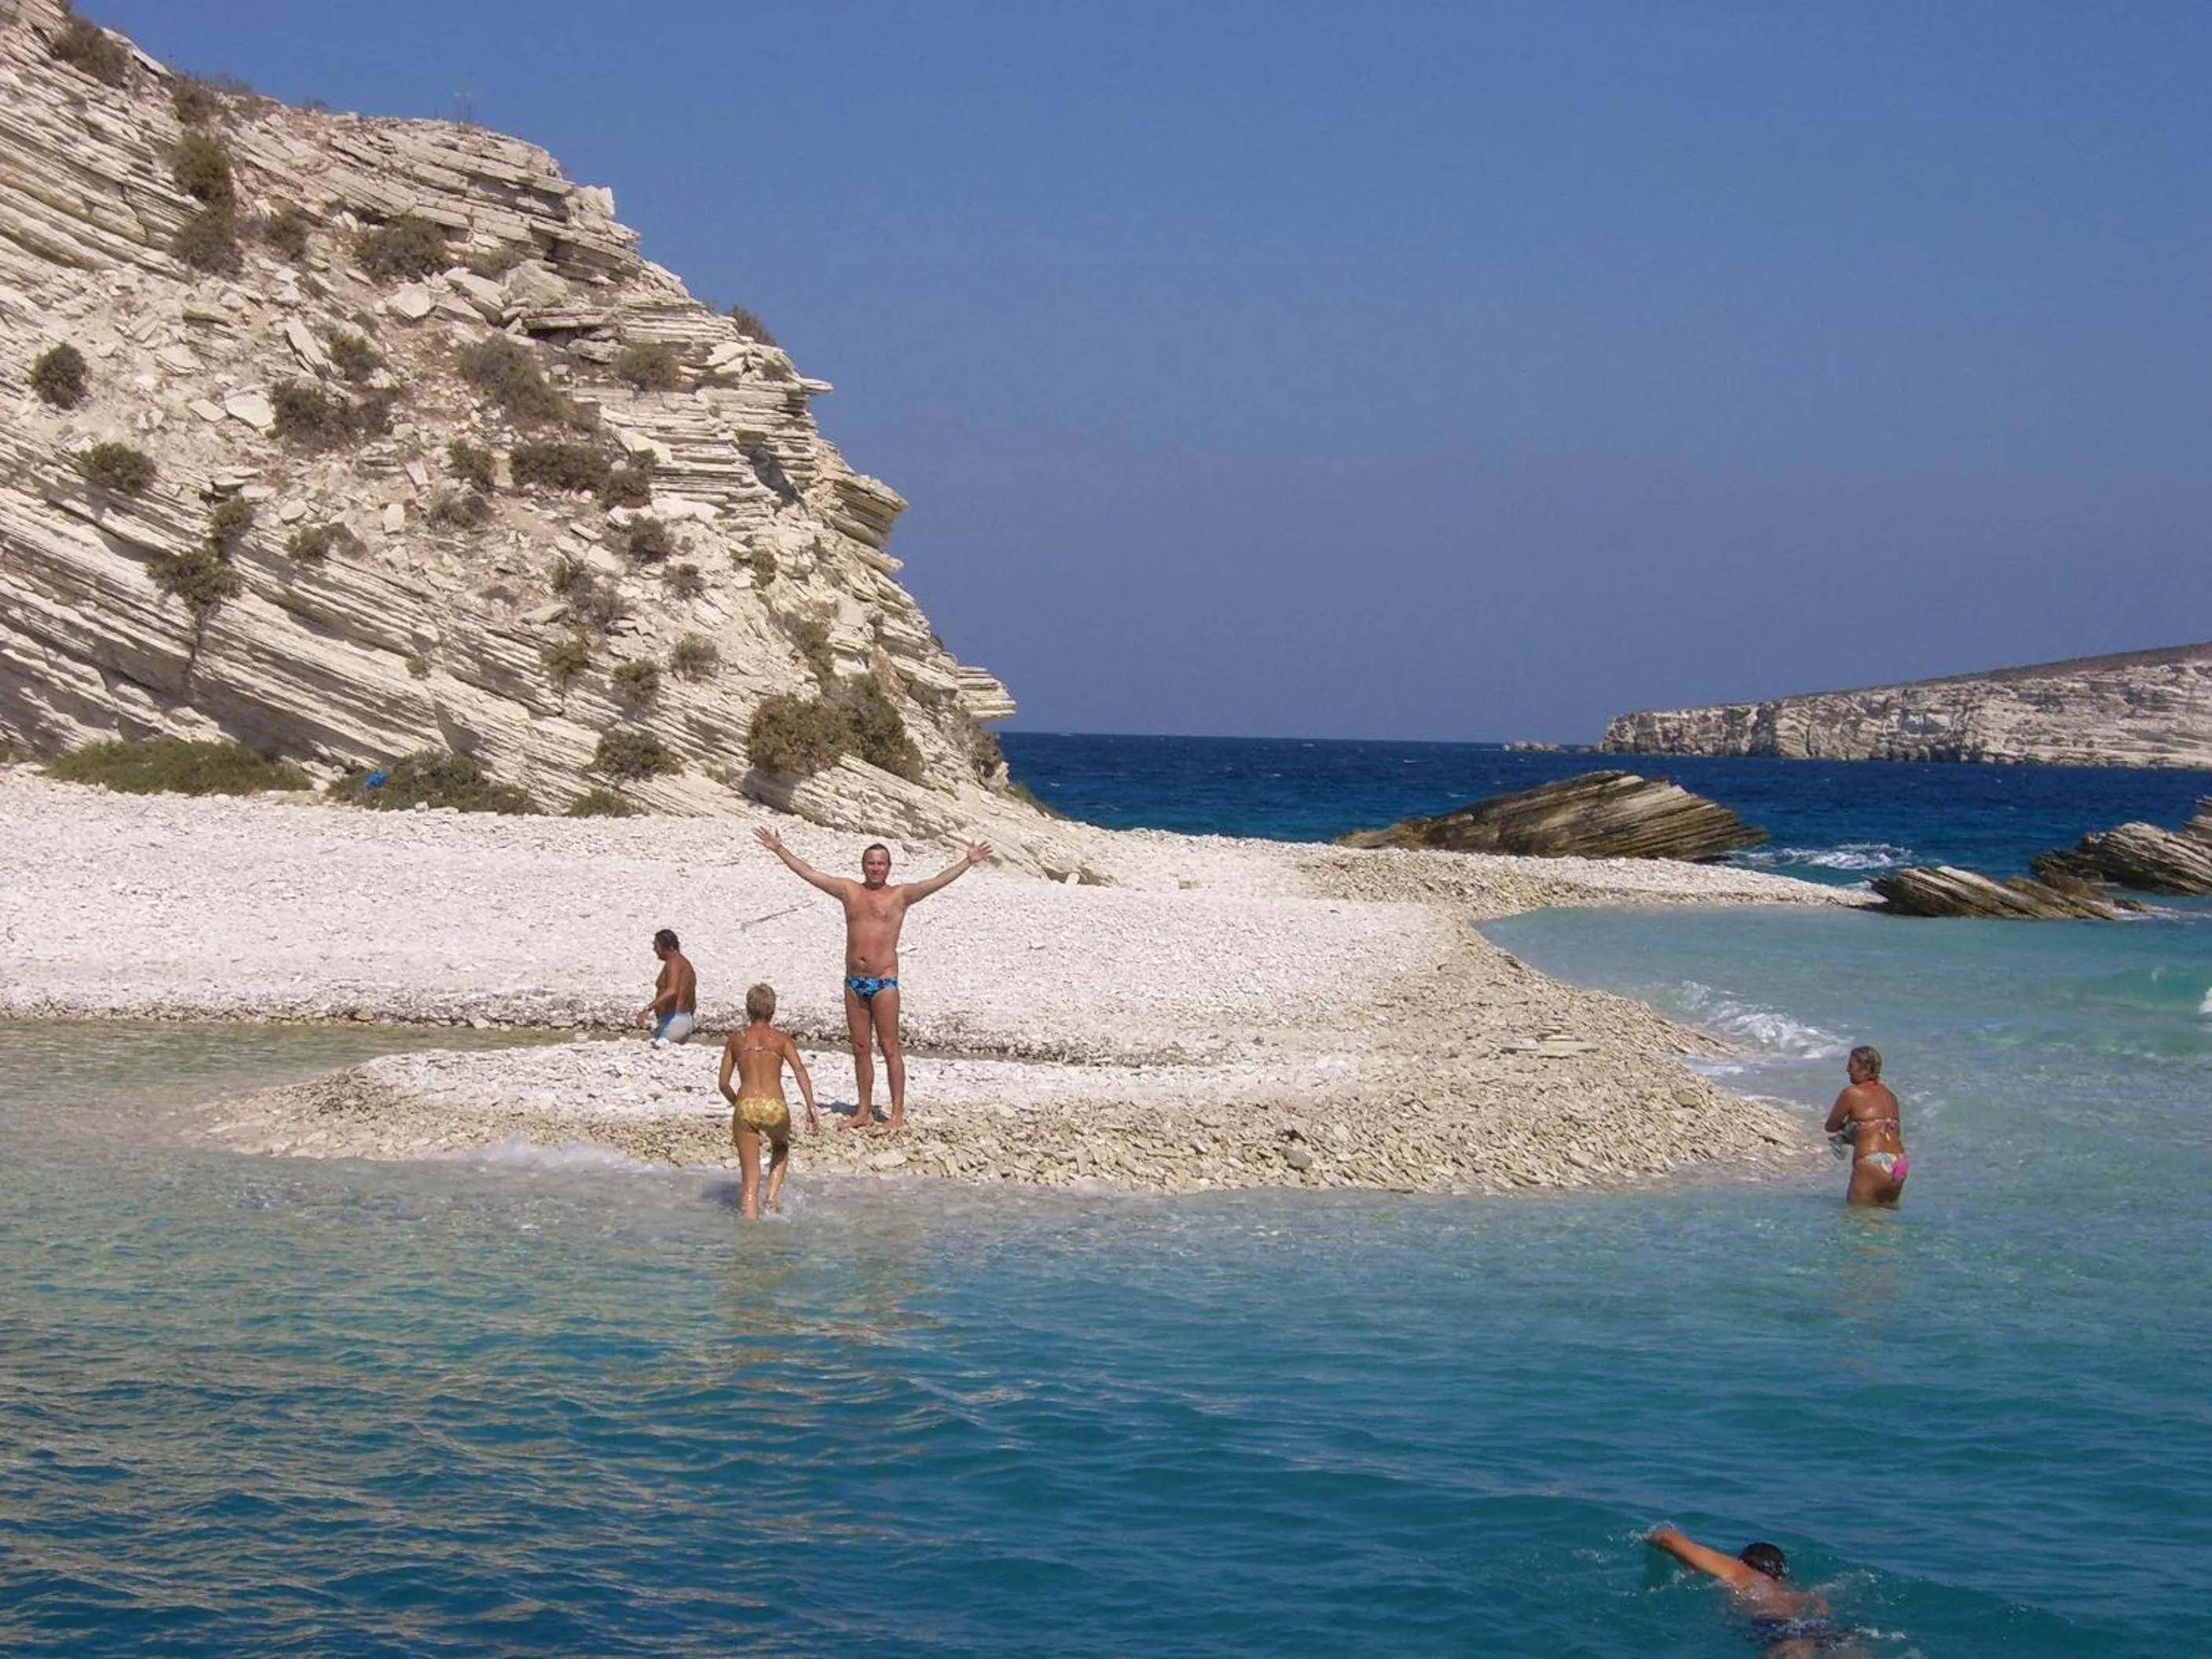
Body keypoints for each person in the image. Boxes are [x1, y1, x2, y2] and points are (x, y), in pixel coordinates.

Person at [753, 826, 991, 1129]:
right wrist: (779, 849)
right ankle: (863, 1111)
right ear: (863, 866)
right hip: (853, 982)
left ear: (889, 867)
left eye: (881, 863)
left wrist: (967, 862)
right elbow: (811, 874)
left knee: (890, 1048)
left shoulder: (900, 895)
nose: (875, 867)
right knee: (860, 1048)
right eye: (871, 863)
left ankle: (896, 1114)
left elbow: (935, 882)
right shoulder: (849, 890)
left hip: (884, 982)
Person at [1643, 1527, 1860, 1657]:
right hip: (1822, 1628)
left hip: (1777, 1627)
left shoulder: (1739, 1571)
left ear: (1744, 1561)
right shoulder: (1797, 1590)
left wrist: (1651, 1536)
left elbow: (1668, 1538)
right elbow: (1823, 1610)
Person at [717, 982, 819, 1218]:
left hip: (746, 1106)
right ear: (772, 1011)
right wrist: (811, 1106)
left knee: (749, 1184)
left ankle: (749, 1234)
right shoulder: (781, 1040)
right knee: (781, 1146)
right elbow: (800, 1071)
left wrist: (737, 1103)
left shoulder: (736, 1040)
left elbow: (723, 1083)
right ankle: (772, 1200)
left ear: (748, 1010)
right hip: (774, 1106)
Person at [1824, 1044, 1906, 1206]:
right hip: (1899, 1163)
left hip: (1872, 1162)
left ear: (1866, 1069)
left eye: (1851, 1065)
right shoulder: (1891, 1096)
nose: (1847, 1070)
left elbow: (1831, 1126)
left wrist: (1849, 1129)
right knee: (1888, 1225)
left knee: (1857, 1221)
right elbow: (1896, 1132)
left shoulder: (1852, 1093)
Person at [636, 928, 697, 1044]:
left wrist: (647, 1009)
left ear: (669, 947)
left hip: (673, 1021)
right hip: (683, 1020)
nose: (654, 950)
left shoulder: (673, 963)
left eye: (657, 946)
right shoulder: (685, 965)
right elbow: (693, 1003)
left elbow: (672, 990)